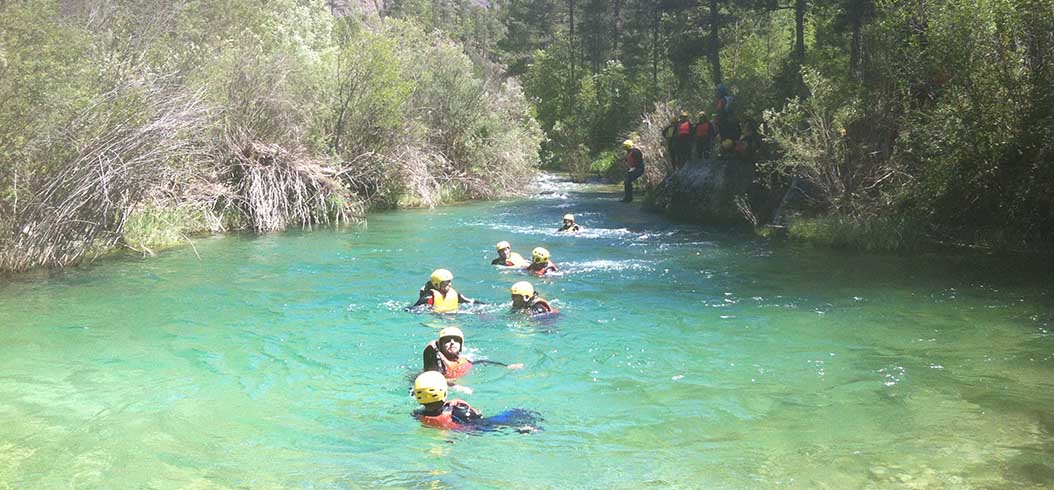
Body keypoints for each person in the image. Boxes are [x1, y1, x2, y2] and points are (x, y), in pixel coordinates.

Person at [411, 371, 541, 433]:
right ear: (444, 392)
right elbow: (478, 417)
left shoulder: (417, 414)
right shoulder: (458, 411)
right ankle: (524, 428)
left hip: (457, 432)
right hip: (477, 428)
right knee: (516, 414)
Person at [422, 327, 523, 391]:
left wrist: (506, 366)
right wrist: (456, 387)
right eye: (447, 341)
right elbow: (436, 380)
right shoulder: (437, 362)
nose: (452, 342)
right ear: (441, 346)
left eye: (456, 340)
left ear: (461, 345)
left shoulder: (463, 360)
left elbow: (481, 362)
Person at [407, 269, 484, 313]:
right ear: (436, 284)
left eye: (449, 282)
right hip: (436, 318)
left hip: (454, 316)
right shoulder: (429, 298)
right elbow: (413, 309)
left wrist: (485, 306)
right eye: (445, 283)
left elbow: (471, 302)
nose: (449, 285)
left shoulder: (455, 295)